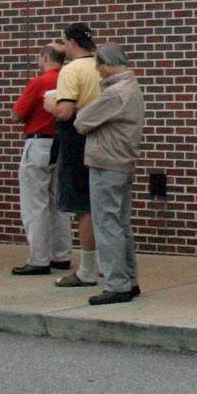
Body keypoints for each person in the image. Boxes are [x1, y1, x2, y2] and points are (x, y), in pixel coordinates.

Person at [76, 45, 145, 305]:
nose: (97, 70)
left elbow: (81, 121)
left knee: (107, 225)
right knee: (121, 225)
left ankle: (117, 283)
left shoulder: (115, 93)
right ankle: (129, 279)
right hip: (122, 162)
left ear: (107, 65)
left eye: (99, 65)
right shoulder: (132, 88)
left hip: (107, 163)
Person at [12, 43, 74, 275]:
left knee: (34, 204)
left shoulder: (39, 82)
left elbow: (18, 112)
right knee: (60, 203)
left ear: (46, 57)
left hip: (38, 142)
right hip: (62, 143)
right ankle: (62, 254)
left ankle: (39, 258)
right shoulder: (68, 79)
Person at [52, 22, 104, 288]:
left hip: (76, 141)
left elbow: (65, 112)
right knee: (105, 206)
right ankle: (108, 264)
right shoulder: (103, 66)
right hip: (104, 138)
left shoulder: (70, 71)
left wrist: (52, 104)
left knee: (84, 208)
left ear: (71, 43)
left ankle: (86, 269)